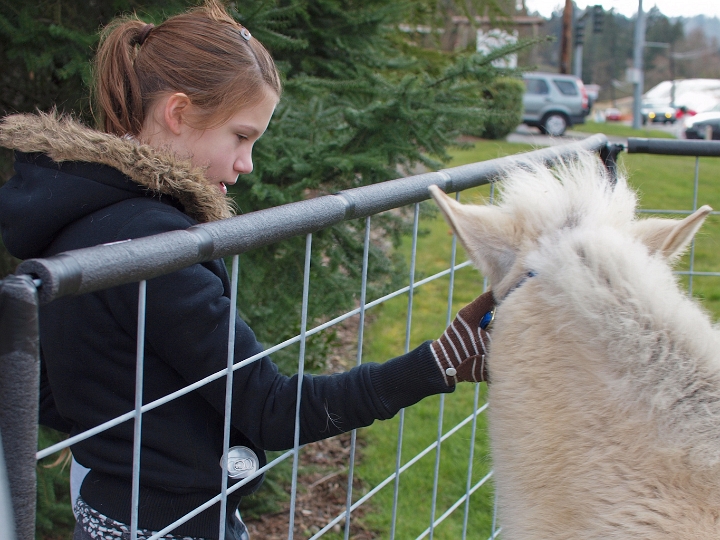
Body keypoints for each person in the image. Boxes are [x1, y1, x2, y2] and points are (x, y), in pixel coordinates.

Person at [0, 2, 494, 539]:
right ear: (179, 113)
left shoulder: (77, 220)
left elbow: (50, 392)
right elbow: (273, 409)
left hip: (105, 517)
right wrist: (438, 363)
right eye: (241, 136)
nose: (247, 164)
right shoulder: (155, 245)